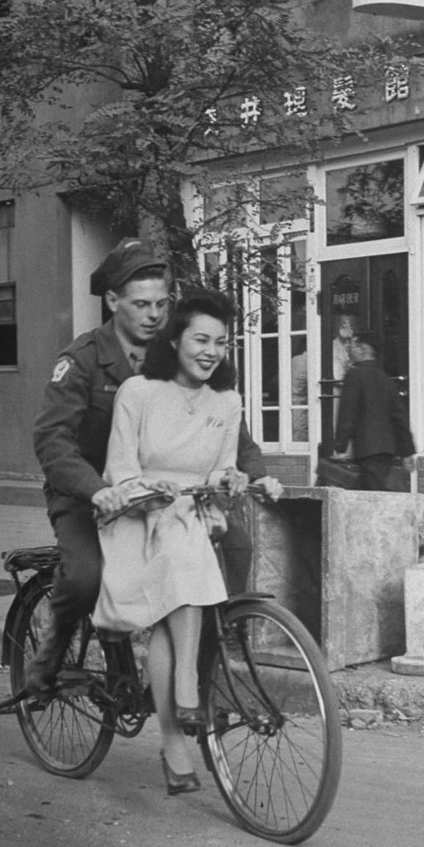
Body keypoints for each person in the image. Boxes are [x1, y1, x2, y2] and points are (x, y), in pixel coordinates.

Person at [27, 237, 280, 696]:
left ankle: (199, 680)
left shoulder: (181, 351)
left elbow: (229, 430)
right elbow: (52, 440)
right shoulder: (83, 361)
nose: (154, 315)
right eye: (141, 304)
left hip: (165, 497)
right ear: (112, 301)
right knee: (86, 576)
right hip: (89, 494)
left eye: (162, 304)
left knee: (232, 552)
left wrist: (257, 474)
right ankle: (51, 654)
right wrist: (96, 489)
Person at [92, 290, 243, 794]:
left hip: (191, 518)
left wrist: (232, 480)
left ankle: (176, 747)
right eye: (200, 338)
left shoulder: (228, 401)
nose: (211, 350)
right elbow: (120, 468)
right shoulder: (138, 392)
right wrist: (149, 489)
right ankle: (185, 689)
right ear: (175, 338)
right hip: (136, 517)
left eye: (220, 342)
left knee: (178, 587)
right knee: (183, 555)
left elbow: (222, 467)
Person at [332, 330, 415, 491]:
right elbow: (400, 418)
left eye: (353, 345)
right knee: (369, 491)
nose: (350, 349)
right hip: (386, 450)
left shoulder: (354, 376)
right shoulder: (385, 379)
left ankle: (394, 515)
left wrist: (340, 447)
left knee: (375, 494)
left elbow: (348, 413)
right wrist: (407, 451)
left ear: (364, 349)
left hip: (367, 448)